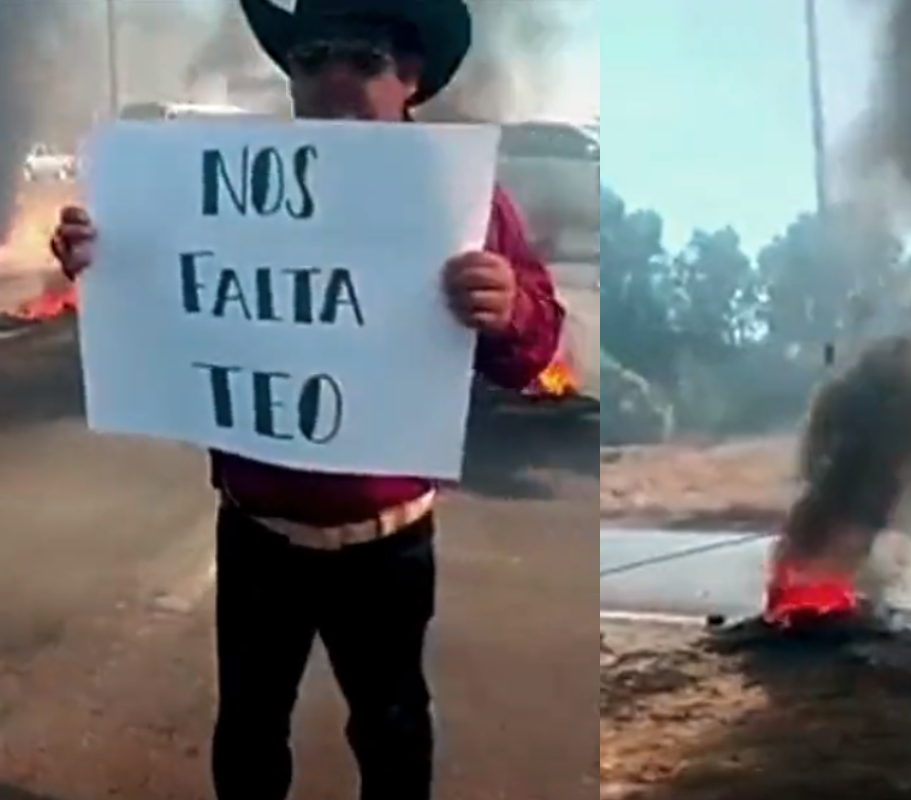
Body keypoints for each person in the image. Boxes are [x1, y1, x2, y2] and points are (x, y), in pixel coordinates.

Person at [49, 1, 565, 798]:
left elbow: (531, 351)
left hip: (388, 542)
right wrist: (103, 256)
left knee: (392, 728)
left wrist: (510, 308)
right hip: (259, 532)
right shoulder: (225, 190)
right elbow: (164, 283)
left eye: (361, 60)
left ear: (411, 79)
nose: (331, 79)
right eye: (311, 57)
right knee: (251, 728)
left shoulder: (458, 199)